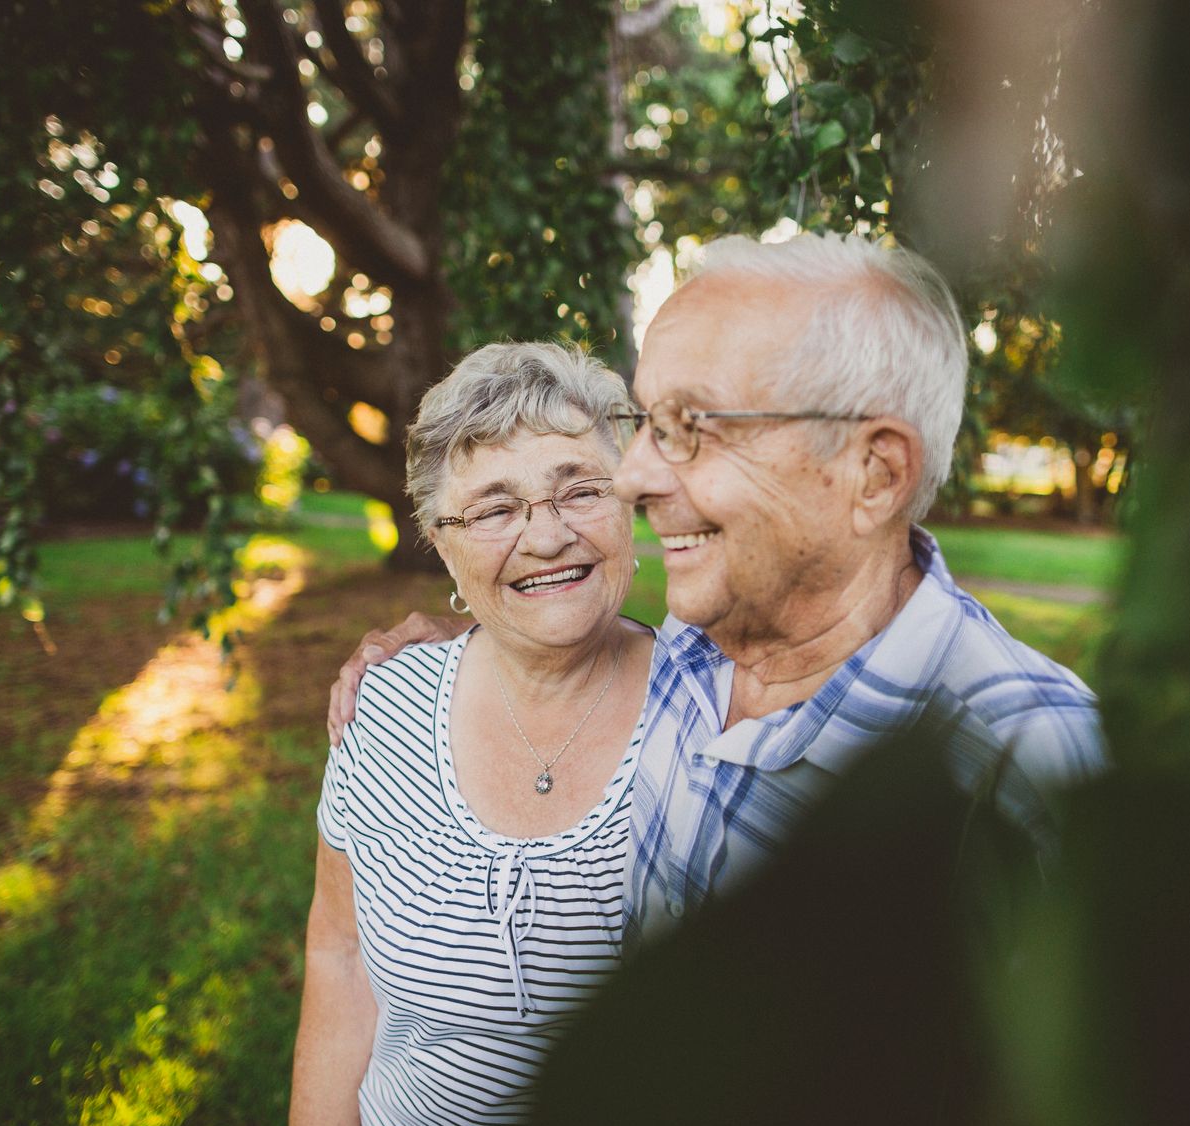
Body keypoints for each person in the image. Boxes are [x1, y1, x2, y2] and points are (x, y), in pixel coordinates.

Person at [330, 232, 1104, 952]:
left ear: (874, 474)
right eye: (645, 421)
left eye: (689, 426)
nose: (630, 477)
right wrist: (470, 636)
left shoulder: (1034, 775)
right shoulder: (694, 649)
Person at [289, 342, 657, 1126]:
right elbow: (340, 952)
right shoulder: (379, 707)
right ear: (440, 542)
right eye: (494, 509)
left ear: (630, 502)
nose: (547, 535)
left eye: (581, 490)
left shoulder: (712, 720)